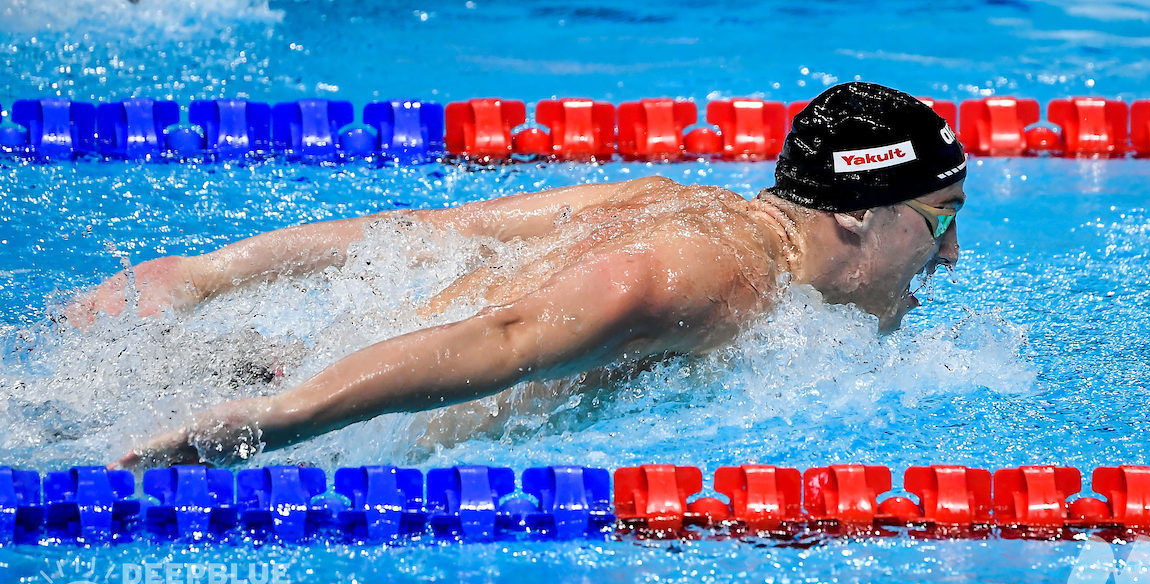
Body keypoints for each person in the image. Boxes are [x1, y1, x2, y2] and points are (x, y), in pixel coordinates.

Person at [76, 82, 965, 468]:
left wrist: (204, 275)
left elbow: (425, 233)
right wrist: (282, 419)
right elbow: (506, 337)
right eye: (941, 219)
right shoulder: (707, 275)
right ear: (855, 210)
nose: (952, 255)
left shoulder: (673, 199)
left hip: (303, 365)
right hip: (341, 432)